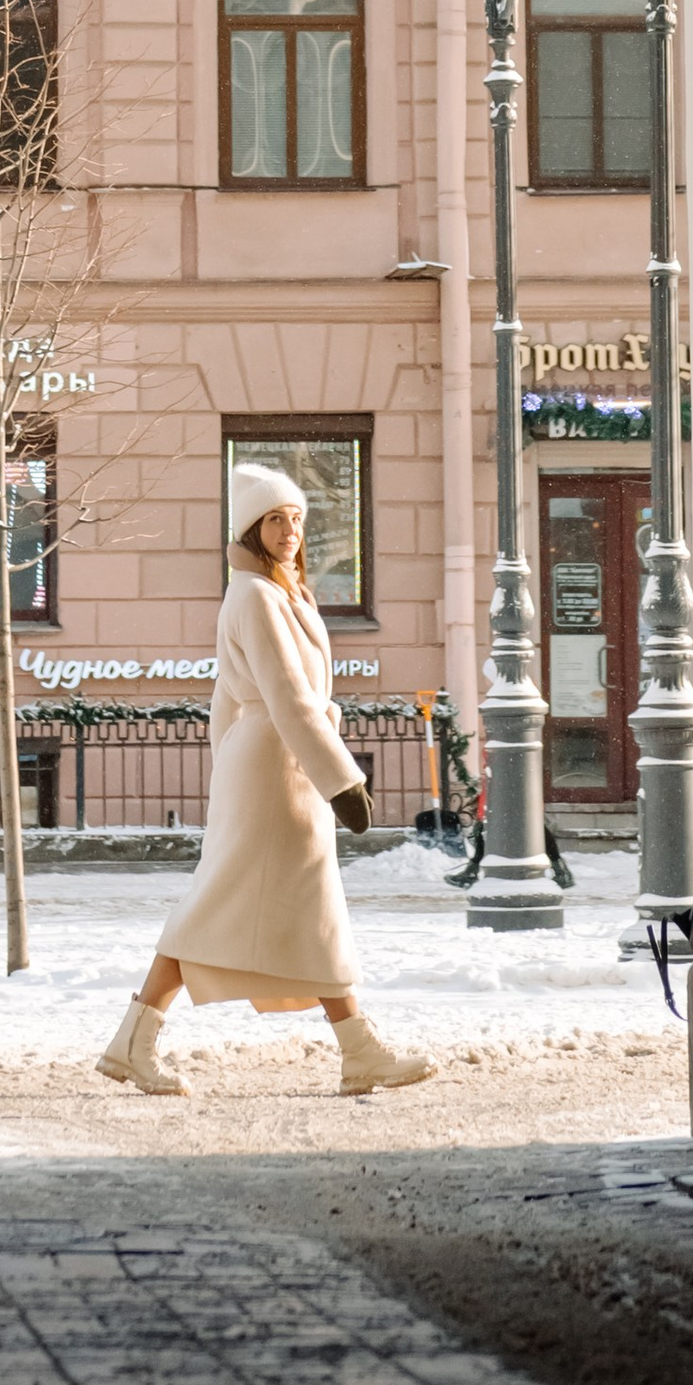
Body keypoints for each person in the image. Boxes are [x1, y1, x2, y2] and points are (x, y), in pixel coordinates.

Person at [98, 463, 433, 1097]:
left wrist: (247, 758)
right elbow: (285, 695)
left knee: (301, 909)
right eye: (275, 519)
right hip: (277, 770)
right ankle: (136, 1043)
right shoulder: (253, 595)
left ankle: (353, 1050)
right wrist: (342, 780)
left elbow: (233, 697)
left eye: (297, 518)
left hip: (278, 765)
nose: (289, 530)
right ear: (253, 529)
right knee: (233, 903)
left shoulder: (281, 593)